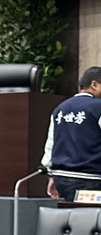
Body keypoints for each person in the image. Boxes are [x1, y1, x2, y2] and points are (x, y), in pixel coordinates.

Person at [43, 67, 101, 201]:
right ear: (94, 84)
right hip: (92, 179)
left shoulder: (60, 108)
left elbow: (50, 145)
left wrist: (51, 176)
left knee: (73, 213)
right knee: (91, 214)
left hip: (61, 179)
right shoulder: (98, 107)